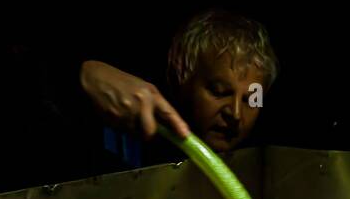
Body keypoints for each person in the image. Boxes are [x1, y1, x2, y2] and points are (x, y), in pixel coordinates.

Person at [78, 9, 278, 164]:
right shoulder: (127, 151)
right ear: (180, 77)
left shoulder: (262, 174)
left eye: (250, 99)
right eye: (219, 92)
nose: (235, 114)